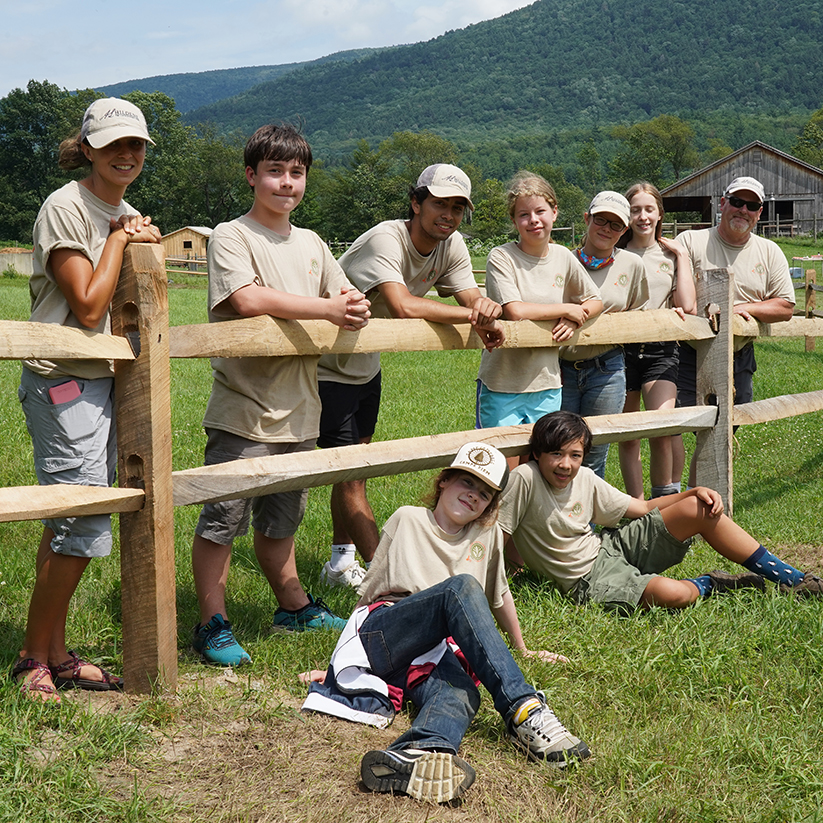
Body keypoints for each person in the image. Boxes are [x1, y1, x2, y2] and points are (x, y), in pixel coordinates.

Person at [302, 441, 589, 804]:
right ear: (444, 481)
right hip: (389, 631)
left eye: (484, 494)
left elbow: (499, 596)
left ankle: (420, 753)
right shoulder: (408, 518)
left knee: (462, 691)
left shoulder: (485, 536)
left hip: (433, 651)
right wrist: (338, 664)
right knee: (461, 588)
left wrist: (523, 648)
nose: (473, 496)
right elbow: (369, 596)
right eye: (466, 483)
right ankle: (524, 709)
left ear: (490, 506)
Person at [190, 124, 371, 667]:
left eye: (296, 174)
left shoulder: (313, 243)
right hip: (243, 412)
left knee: (282, 522)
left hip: (301, 413)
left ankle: (292, 605)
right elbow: (245, 299)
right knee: (222, 521)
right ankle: (210, 622)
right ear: (251, 175)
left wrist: (354, 305)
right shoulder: (232, 235)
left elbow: (344, 294)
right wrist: (330, 310)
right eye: (274, 171)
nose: (286, 183)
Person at [13, 98, 163, 702]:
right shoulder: (67, 207)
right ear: (88, 148)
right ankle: (32, 659)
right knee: (80, 518)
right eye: (114, 145)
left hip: (99, 380)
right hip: (64, 380)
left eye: (137, 146)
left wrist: (132, 236)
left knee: (74, 517)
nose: (127, 155)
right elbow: (91, 307)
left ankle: (53, 652)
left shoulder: (120, 211)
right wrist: (123, 242)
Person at [316, 164, 505, 589]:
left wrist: (486, 308)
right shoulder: (388, 238)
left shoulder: (450, 244)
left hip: (364, 363)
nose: (449, 215)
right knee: (351, 473)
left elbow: (470, 295)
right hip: (325, 365)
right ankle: (386, 578)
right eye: (439, 203)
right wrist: (473, 315)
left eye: (458, 207)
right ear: (416, 202)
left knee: (354, 468)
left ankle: (340, 562)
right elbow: (401, 304)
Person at [500, 411, 823, 613]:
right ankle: (714, 583)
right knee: (675, 594)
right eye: (556, 453)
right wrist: (502, 579)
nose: (565, 464)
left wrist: (693, 492)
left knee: (701, 509)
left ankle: (796, 581)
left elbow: (640, 508)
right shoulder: (525, 478)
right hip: (586, 580)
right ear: (538, 453)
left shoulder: (584, 477)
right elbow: (499, 534)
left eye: (575, 455)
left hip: (609, 547)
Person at [674, 176, 796, 485]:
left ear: (759, 212)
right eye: (737, 202)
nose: (743, 210)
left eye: (751, 205)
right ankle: (673, 504)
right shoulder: (691, 242)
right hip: (689, 355)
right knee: (675, 425)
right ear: (722, 203)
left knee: (727, 426)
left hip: (738, 354)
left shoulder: (769, 252)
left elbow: (785, 306)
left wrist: (744, 309)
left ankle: (701, 498)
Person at [477, 172, 602, 466]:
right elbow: (515, 311)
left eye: (540, 211)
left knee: (540, 466)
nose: (533, 220)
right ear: (514, 221)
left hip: (546, 383)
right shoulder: (501, 257)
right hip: (502, 383)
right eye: (523, 214)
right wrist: (564, 310)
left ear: (555, 212)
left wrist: (575, 319)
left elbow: (595, 300)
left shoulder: (563, 257)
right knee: (500, 465)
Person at [559, 191, 648, 478]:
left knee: (595, 448)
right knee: (559, 447)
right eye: (601, 220)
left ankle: (588, 522)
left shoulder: (632, 265)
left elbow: (638, 311)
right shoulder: (561, 261)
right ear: (587, 219)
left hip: (606, 367)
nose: (607, 229)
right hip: (559, 369)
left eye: (616, 225)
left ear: (624, 230)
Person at [617, 182, 696, 499]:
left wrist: (682, 256)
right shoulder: (617, 252)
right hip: (620, 350)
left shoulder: (669, 255)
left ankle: (664, 504)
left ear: (659, 214)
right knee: (628, 435)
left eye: (649, 209)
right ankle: (638, 506)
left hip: (661, 350)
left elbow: (688, 304)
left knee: (661, 429)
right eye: (635, 210)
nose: (642, 216)